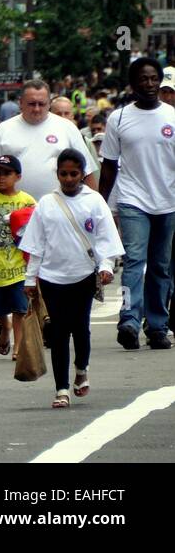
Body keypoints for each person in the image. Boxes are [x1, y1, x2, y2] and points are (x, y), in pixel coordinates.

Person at [21, 149, 123, 407]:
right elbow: (36, 244)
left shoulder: (95, 201)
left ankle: (81, 369)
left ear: (82, 174)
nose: (68, 179)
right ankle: (61, 389)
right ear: (57, 174)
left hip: (84, 275)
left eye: (74, 174)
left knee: (80, 328)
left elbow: (105, 238)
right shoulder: (46, 203)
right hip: (51, 277)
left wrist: (107, 266)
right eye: (63, 174)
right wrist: (30, 280)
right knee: (58, 332)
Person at [98, 57, 175, 351]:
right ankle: (129, 320)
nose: (150, 84)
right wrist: (100, 204)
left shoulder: (171, 115)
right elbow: (109, 166)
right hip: (132, 200)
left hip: (168, 202)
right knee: (133, 261)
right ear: (133, 84)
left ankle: (157, 326)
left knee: (160, 267)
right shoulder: (118, 118)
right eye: (143, 79)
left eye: (154, 78)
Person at [0, 80, 97, 201]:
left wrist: (94, 206)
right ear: (21, 103)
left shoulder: (67, 128)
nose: (37, 109)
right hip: (14, 211)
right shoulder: (3, 129)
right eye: (32, 104)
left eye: (41, 104)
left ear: (49, 104)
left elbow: (87, 171)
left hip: (61, 207)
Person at [0, 155, 35, 359]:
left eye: (7, 173)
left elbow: (36, 231)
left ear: (18, 176)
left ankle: (18, 347)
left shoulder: (27, 201)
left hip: (19, 264)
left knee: (20, 308)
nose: (1, 177)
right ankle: (5, 326)